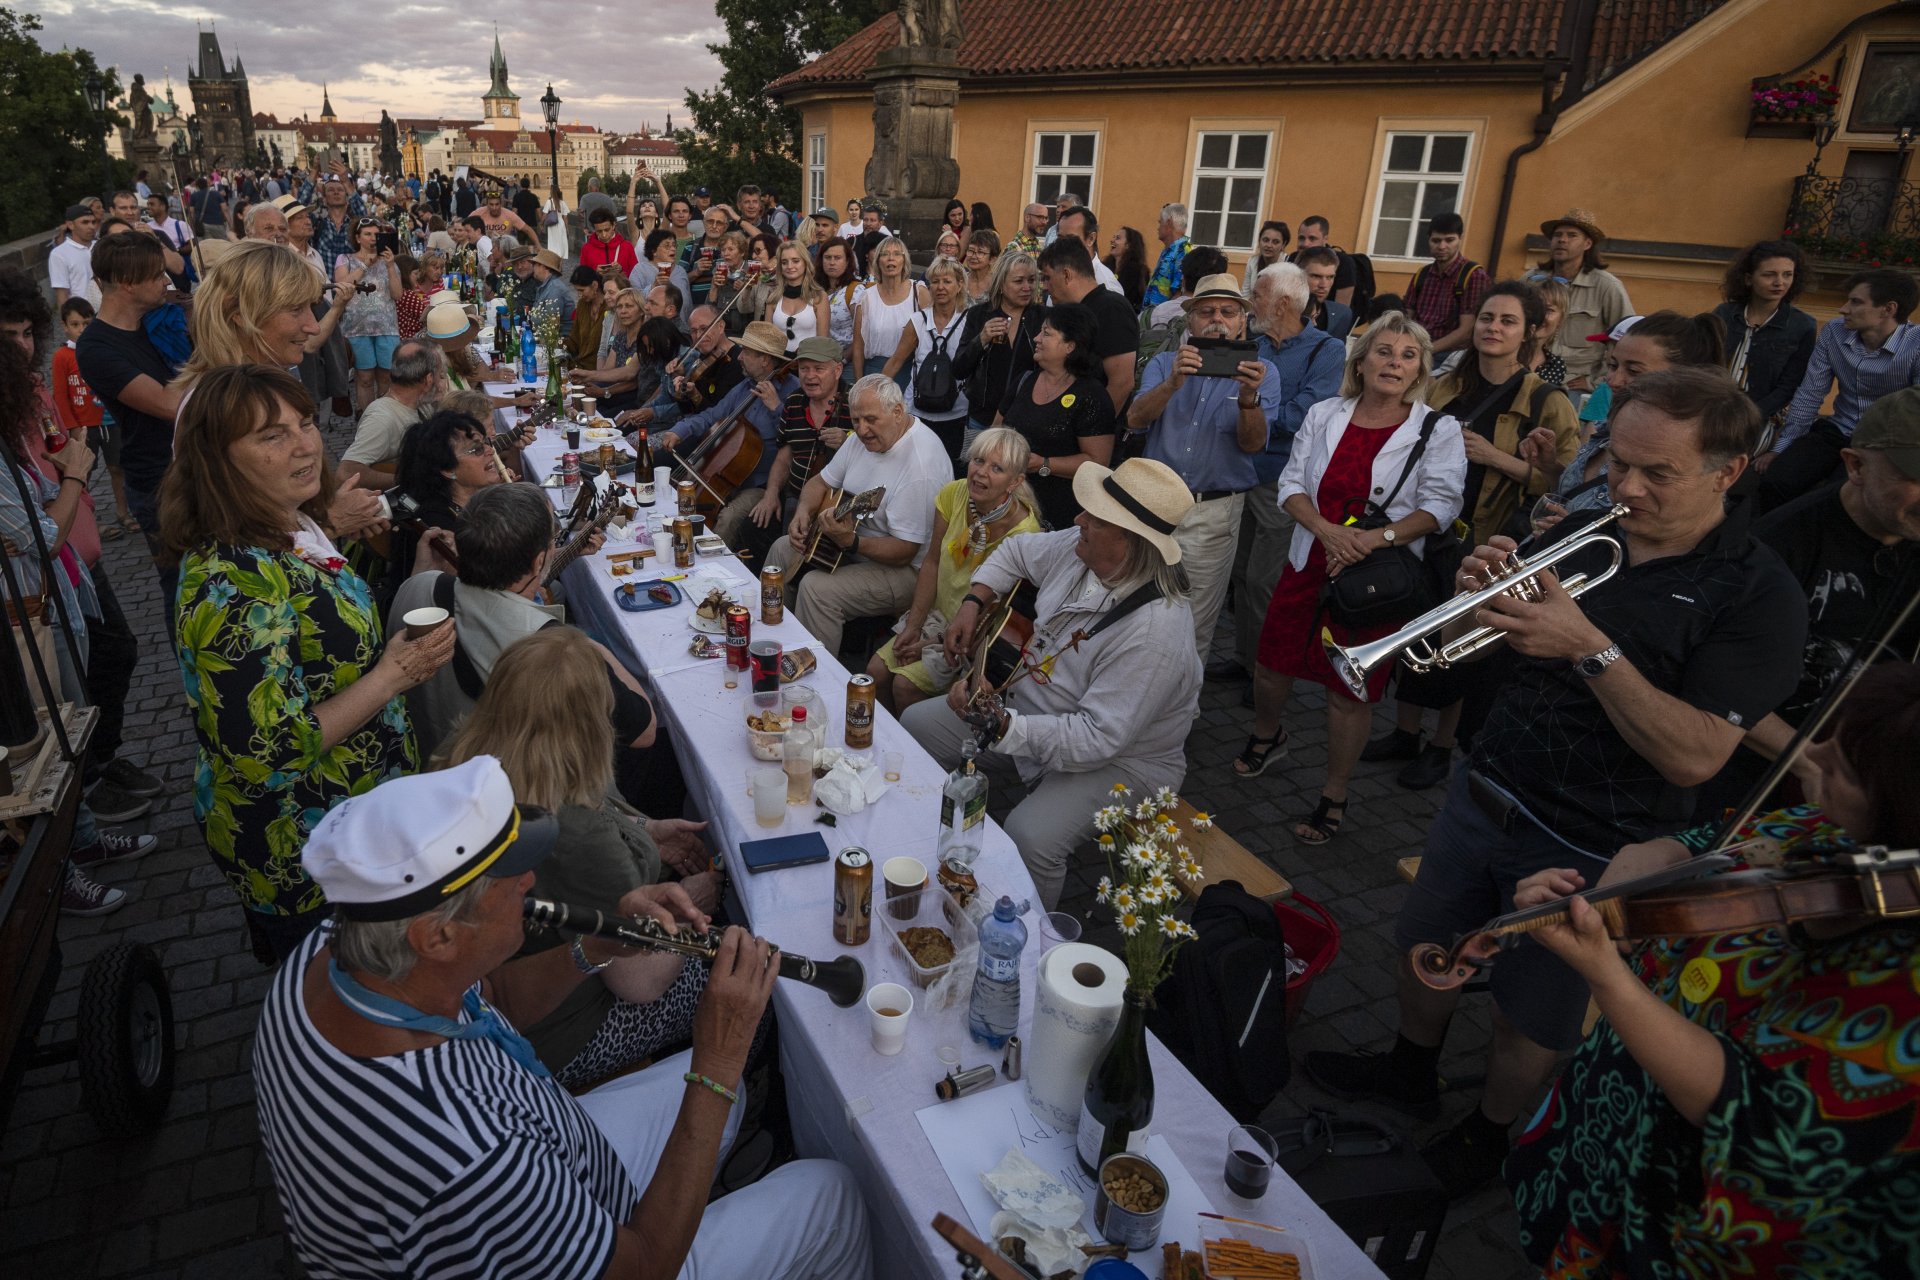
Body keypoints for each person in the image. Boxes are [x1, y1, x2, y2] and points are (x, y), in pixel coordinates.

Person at [1306, 366, 1806, 1196]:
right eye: (1618, 462)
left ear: (1730, 472)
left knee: (1531, 1010)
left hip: (1593, 841)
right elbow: (1475, 647)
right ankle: (1408, 1070)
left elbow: (1696, 756)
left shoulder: (1757, 596)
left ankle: (1493, 1135)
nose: (1627, 487)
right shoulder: (1584, 523)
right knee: (1423, 947)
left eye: (1657, 474)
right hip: (1485, 787)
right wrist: (1474, 597)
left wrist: (1588, 647)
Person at [256, 757, 872, 1280]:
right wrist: (718, 1055)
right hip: (610, 1248)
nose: (529, 878)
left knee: (727, 1096)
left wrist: (599, 945)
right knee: (834, 1195)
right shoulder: (466, 1157)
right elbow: (643, 1266)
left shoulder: (335, 949)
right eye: (506, 876)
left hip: (550, 1164)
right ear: (437, 936)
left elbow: (492, 993)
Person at [1504, 661, 1920, 1278]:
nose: (1816, 758)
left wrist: (1607, 977)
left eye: (1844, 770)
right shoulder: (1829, 832)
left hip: (1683, 1229)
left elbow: (1753, 1114)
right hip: (1605, 1137)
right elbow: (1713, 844)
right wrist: (1647, 856)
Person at [161, 365, 448, 962]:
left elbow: (303, 622)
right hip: (304, 847)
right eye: (271, 435)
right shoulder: (233, 585)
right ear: (217, 459)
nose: (306, 445)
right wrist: (393, 676)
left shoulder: (285, 527)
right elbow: (268, 753)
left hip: (355, 819)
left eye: (307, 423)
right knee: (345, 1001)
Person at [906, 457, 1201, 905]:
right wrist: (972, 602)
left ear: (1131, 542)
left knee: (1031, 836)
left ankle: (1027, 948)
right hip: (1032, 713)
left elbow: (1098, 738)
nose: (1078, 518)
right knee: (915, 725)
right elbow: (1012, 551)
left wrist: (1002, 726)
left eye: (1095, 518)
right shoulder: (1080, 549)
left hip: (1124, 762)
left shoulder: (1155, 633)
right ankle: (919, 850)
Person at [436, 628, 717, 1085]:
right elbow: (638, 982)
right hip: (557, 1030)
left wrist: (646, 830)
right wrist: (689, 904)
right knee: (743, 986)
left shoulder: (466, 761)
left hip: (499, 985)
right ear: (590, 726)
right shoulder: (574, 831)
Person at [1236, 312, 1467, 841]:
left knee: (1349, 690)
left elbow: (1441, 505)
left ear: (1420, 370)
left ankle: (1334, 792)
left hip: (1376, 576)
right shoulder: (1324, 413)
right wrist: (1326, 531)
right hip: (1310, 557)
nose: (1395, 363)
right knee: (1272, 665)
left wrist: (1369, 540)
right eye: (1384, 351)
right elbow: (1291, 482)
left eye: (1408, 356)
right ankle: (1268, 735)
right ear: (1361, 363)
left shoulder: (1437, 428)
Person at [1368, 282, 1580, 789]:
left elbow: (1568, 487)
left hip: (1491, 539)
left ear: (1529, 331)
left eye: (1507, 321)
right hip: (1429, 530)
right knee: (1417, 630)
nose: (1493, 328)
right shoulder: (1442, 386)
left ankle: (1441, 746)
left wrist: (1495, 458)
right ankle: (1404, 732)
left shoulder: (1549, 401)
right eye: (1487, 317)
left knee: (1463, 644)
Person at [0, 283, 158, 911]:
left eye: (25, 335)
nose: (22, 348)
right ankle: (57, 867)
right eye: (7, 338)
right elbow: (38, 537)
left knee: (76, 705)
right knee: (46, 734)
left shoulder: (21, 403)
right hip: (25, 611)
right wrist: (74, 471)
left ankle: (83, 835)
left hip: (61, 585)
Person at [1698, 388, 1920, 815]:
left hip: (1880, 769)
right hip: (1765, 778)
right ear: (1855, 466)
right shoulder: (1779, 545)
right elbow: (1722, 688)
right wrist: (1810, 763)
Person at [390, 482, 652, 761]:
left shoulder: (415, 585)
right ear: (538, 562)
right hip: (508, 788)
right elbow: (644, 731)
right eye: (553, 537)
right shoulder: (551, 651)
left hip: (421, 758)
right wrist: (591, 648)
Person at [1124, 274, 1282, 653]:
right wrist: (1172, 384)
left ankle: (1180, 709)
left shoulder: (1264, 374)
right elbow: (1135, 420)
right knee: (1135, 611)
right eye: (1207, 311)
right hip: (1154, 504)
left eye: (1228, 312)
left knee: (1194, 622)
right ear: (1190, 320)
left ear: (1242, 322)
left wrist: (1248, 399)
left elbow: (1253, 444)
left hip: (1212, 510)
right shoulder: (1166, 363)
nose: (1217, 319)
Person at [761, 375, 954, 655]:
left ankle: (813, 675)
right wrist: (803, 512)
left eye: (871, 420)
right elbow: (820, 482)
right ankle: (769, 640)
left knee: (818, 590)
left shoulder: (921, 467)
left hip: (908, 571)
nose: (862, 430)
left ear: (897, 412)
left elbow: (906, 552)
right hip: (852, 544)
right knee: (781, 549)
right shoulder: (863, 440)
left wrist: (851, 543)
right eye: (855, 421)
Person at [1222, 262, 1346, 684]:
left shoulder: (1326, 349)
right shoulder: (1253, 343)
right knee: (1239, 574)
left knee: (1262, 580)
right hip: (1242, 468)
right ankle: (1244, 660)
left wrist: (1254, 412)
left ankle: (1266, 674)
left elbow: (1308, 413)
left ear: (1284, 302)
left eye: (1257, 294)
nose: (1251, 301)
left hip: (1282, 479)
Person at [868, 428, 1043, 713]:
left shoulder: (1024, 534)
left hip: (972, 638)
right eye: (978, 460)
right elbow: (933, 562)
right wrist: (914, 626)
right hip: (934, 616)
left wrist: (929, 642)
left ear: (1015, 482)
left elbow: (993, 615)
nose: (980, 473)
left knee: (904, 685)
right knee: (875, 672)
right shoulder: (954, 493)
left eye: (996, 468)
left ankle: (914, 750)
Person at [75, 233, 184, 597]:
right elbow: (169, 404)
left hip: (189, 465)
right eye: (155, 275)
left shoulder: (157, 322)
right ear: (126, 283)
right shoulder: (95, 347)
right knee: (181, 585)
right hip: (159, 481)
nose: (165, 282)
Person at [1759, 268, 1920, 510]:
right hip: (1836, 429)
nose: (1843, 309)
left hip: (1884, 443)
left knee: (1841, 501)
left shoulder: (1916, 345)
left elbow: (1916, 410)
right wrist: (1782, 447)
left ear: (1888, 309)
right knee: (1777, 480)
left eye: (1855, 302)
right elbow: (1810, 392)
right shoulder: (1834, 331)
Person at [1552, 311, 1727, 519]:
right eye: (1613, 366)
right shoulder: (1606, 428)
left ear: (1682, 378)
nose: (1614, 380)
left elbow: (1658, 539)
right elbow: (1573, 495)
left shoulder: (1688, 460)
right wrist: (1549, 465)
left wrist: (1572, 533)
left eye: (1634, 371)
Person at [651, 321, 797, 547]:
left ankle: (715, 569)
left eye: (746, 352)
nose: (739, 356)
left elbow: (795, 438)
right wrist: (678, 431)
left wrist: (777, 408)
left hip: (758, 484)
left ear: (765, 360)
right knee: (683, 495)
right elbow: (711, 416)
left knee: (728, 520)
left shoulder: (792, 391)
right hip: (723, 472)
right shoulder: (745, 386)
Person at [992, 303, 1115, 529]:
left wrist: (1044, 464)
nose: (1037, 338)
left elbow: (1098, 462)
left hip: (1059, 516)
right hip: (1008, 510)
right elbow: (995, 431)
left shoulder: (1091, 395)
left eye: (1046, 333)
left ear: (1070, 345)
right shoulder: (1025, 380)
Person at [384, 406, 513, 588]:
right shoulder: (438, 526)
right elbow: (495, 585)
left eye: (486, 442)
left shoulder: (473, 501)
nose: (490, 450)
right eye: (476, 449)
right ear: (448, 470)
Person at [1712, 239, 1816, 449]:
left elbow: (1789, 385)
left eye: (1787, 275)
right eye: (1769, 275)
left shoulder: (1802, 326)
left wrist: (1751, 415)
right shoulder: (1724, 314)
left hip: (1760, 417)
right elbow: (1705, 363)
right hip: (1713, 408)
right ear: (1749, 279)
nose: (1780, 282)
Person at [1530, 208, 1634, 391]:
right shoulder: (1531, 281)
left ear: (1587, 244)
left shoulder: (1607, 286)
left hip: (1574, 385)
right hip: (1530, 376)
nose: (1562, 240)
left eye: (1572, 235)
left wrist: (1597, 382)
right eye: (1557, 235)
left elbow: (1627, 338)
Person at [1037, 236, 1140, 416]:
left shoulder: (1112, 309)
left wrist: (1093, 430)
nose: (1044, 286)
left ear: (1067, 275)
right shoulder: (1073, 310)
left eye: (1047, 277)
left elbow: (1122, 383)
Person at [954, 251, 1041, 456]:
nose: (1027, 287)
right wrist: (981, 339)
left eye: (1031, 280)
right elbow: (958, 369)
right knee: (976, 475)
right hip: (982, 418)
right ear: (1001, 285)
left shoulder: (1042, 318)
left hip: (1026, 420)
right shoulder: (979, 314)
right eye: (1019, 281)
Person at [886, 256, 972, 461]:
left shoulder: (969, 321)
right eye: (935, 281)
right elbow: (896, 360)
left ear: (960, 285)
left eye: (947, 281)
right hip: (917, 410)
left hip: (956, 411)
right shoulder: (918, 320)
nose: (940, 287)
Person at [340, 341, 447, 489]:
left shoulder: (421, 404)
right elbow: (345, 473)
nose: (442, 383)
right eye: (440, 376)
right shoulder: (381, 418)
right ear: (428, 381)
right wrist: (407, 480)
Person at [336, 218, 403, 408]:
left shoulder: (390, 263)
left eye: (376, 234)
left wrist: (390, 266)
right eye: (367, 234)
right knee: (364, 378)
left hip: (387, 328)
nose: (373, 238)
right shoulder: (345, 259)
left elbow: (397, 295)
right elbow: (342, 288)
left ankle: (385, 419)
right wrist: (365, 264)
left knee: (386, 376)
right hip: (356, 328)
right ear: (357, 238)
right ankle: (366, 420)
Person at [1405, 213, 1488, 356]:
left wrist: (1425, 351)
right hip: (1415, 348)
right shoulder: (1422, 274)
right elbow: (1405, 318)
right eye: (1436, 241)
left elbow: (1467, 331)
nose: (1442, 246)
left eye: (1449, 240)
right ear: (1429, 240)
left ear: (1460, 239)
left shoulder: (1473, 275)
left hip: (1451, 355)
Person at [850, 236, 928, 386]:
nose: (891, 258)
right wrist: (859, 384)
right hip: (873, 374)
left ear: (904, 260)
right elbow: (858, 347)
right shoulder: (865, 298)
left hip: (910, 375)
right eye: (885, 254)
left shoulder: (919, 292)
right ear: (877, 261)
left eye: (897, 254)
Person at [762, 240, 829, 355]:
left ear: (805, 262)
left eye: (795, 261)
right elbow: (767, 340)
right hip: (778, 363)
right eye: (784, 262)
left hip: (809, 364)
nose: (789, 266)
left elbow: (822, 341)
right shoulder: (773, 298)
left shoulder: (819, 296)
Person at [1292, 216, 1356, 305]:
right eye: (1301, 238)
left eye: (1312, 238)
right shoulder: (1293, 258)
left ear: (1325, 239)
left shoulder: (1344, 262)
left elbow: (1341, 309)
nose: (1306, 244)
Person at [1296, 246, 1355, 340]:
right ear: (1297, 274)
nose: (1323, 285)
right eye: (1316, 276)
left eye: (1330, 277)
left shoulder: (1341, 315)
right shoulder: (1279, 311)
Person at [1142, 202, 1192, 310]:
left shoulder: (1183, 251)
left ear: (1169, 223)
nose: (1158, 228)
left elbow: (1180, 293)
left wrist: (1162, 316)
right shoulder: (1169, 251)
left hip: (1163, 322)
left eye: (1160, 223)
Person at [49, 204, 100, 307]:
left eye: (93, 222)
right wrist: (66, 321)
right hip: (82, 315)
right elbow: (62, 293)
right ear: (70, 225)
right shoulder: (59, 254)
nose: (91, 226)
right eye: (85, 222)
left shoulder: (101, 245)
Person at [680, 204, 732, 306]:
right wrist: (696, 272)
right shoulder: (691, 247)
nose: (714, 226)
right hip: (696, 310)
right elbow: (679, 281)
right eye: (710, 221)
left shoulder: (731, 249)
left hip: (725, 308)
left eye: (719, 223)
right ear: (703, 223)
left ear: (725, 227)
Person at [581, 206, 639, 275]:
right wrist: (595, 273)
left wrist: (622, 270)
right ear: (594, 229)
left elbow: (636, 275)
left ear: (613, 225)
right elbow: (582, 278)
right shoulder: (586, 248)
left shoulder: (627, 247)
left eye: (607, 230)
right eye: (599, 231)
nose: (604, 235)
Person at [1239, 221, 1290, 297]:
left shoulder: (1288, 264)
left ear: (1283, 245)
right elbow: (1245, 294)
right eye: (1265, 240)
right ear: (1259, 241)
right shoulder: (1253, 261)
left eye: (1275, 242)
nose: (1269, 245)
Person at [542, 184, 570, 261]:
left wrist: (541, 224)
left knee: (553, 245)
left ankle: (554, 264)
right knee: (561, 245)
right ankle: (560, 265)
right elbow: (565, 217)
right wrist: (567, 229)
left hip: (552, 225)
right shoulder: (562, 202)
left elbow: (544, 215)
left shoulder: (549, 202)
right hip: (561, 224)